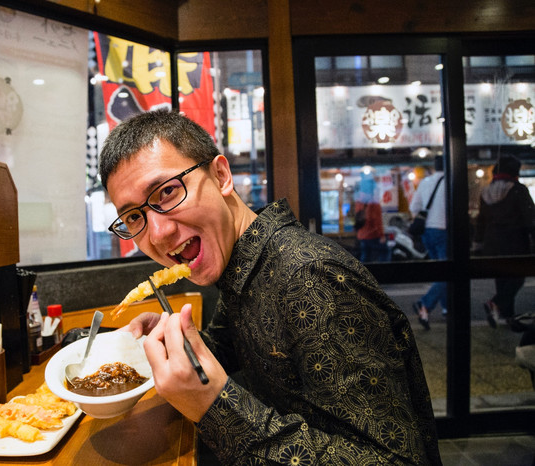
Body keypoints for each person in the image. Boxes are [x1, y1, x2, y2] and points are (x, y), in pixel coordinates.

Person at [99, 110, 441, 464]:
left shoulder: (309, 276)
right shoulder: (242, 263)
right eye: (134, 217)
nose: (157, 233)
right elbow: (235, 346)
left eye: (167, 191)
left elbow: (395, 460)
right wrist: (179, 345)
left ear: (220, 176)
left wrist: (215, 407)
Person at [473, 156, 535, 331]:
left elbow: (481, 222)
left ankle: (509, 318)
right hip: (515, 243)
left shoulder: (486, 192)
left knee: (502, 280)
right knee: (517, 279)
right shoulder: (518, 190)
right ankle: (495, 303)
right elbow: (530, 218)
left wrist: (478, 245)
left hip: (492, 244)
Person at [409, 156, 447, 330]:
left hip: (427, 232)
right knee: (447, 273)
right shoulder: (451, 181)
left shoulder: (425, 182)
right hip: (444, 230)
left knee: (441, 273)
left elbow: (414, 207)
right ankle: (425, 304)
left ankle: (447, 308)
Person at [354, 173, 389, 262]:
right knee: (385, 252)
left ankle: (363, 274)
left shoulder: (358, 203)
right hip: (373, 235)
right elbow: (377, 221)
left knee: (365, 256)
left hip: (361, 235)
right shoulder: (374, 204)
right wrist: (381, 236)